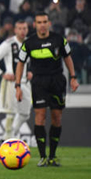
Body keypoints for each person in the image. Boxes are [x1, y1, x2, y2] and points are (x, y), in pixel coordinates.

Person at [15, 12, 79, 167]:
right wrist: (17, 85)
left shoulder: (59, 40)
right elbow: (20, 63)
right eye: (39, 22)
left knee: (57, 117)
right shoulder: (28, 43)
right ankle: (43, 156)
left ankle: (53, 156)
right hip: (39, 82)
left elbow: (68, 58)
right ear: (35, 25)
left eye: (44, 21)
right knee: (40, 116)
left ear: (49, 23)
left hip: (57, 80)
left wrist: (73, 76)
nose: (42, 24)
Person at [0, 20, 32, 142]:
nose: (23, 31)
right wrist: (2, 73)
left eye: (25, 28)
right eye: (20, 28)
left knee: (25, 113)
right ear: (15, 30)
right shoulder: (9, 44)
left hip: (25, 83)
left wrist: (31, 71)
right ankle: (7, 138)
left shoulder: (30, 43)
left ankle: (11, 135)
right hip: (12, 83)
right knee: (11, 112)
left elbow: (34, 60)